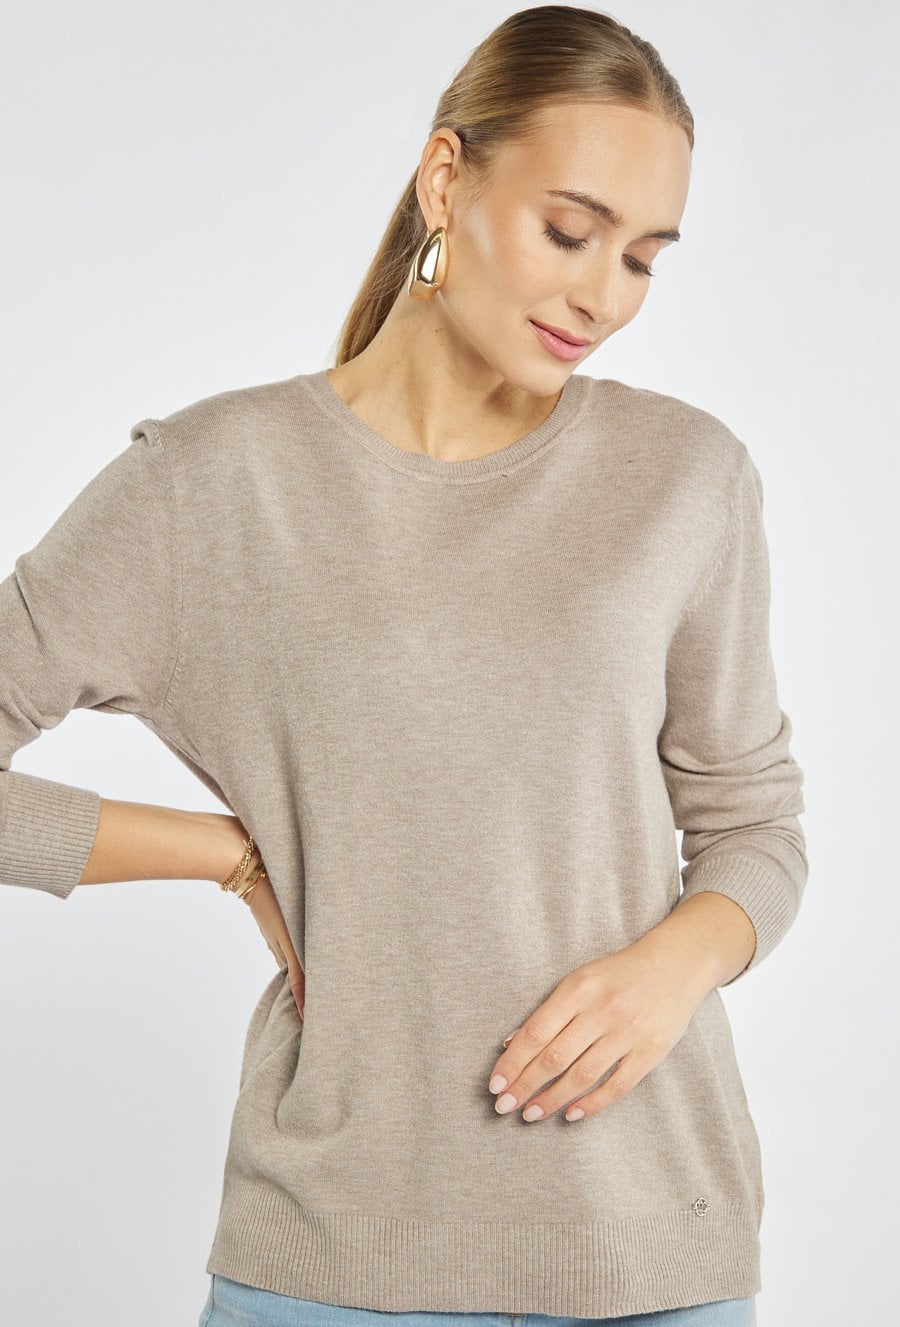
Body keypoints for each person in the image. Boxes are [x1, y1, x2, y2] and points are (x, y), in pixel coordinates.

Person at [0, 7, 807, 1326]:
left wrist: (672, 969)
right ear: (446, 180)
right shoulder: (216, 483)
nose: (603, 296)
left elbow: (755, 826)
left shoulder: (686, 479)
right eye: (570, 230)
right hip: (336, 1258)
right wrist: (228, 854)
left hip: (654, 1250)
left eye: (642, 258)